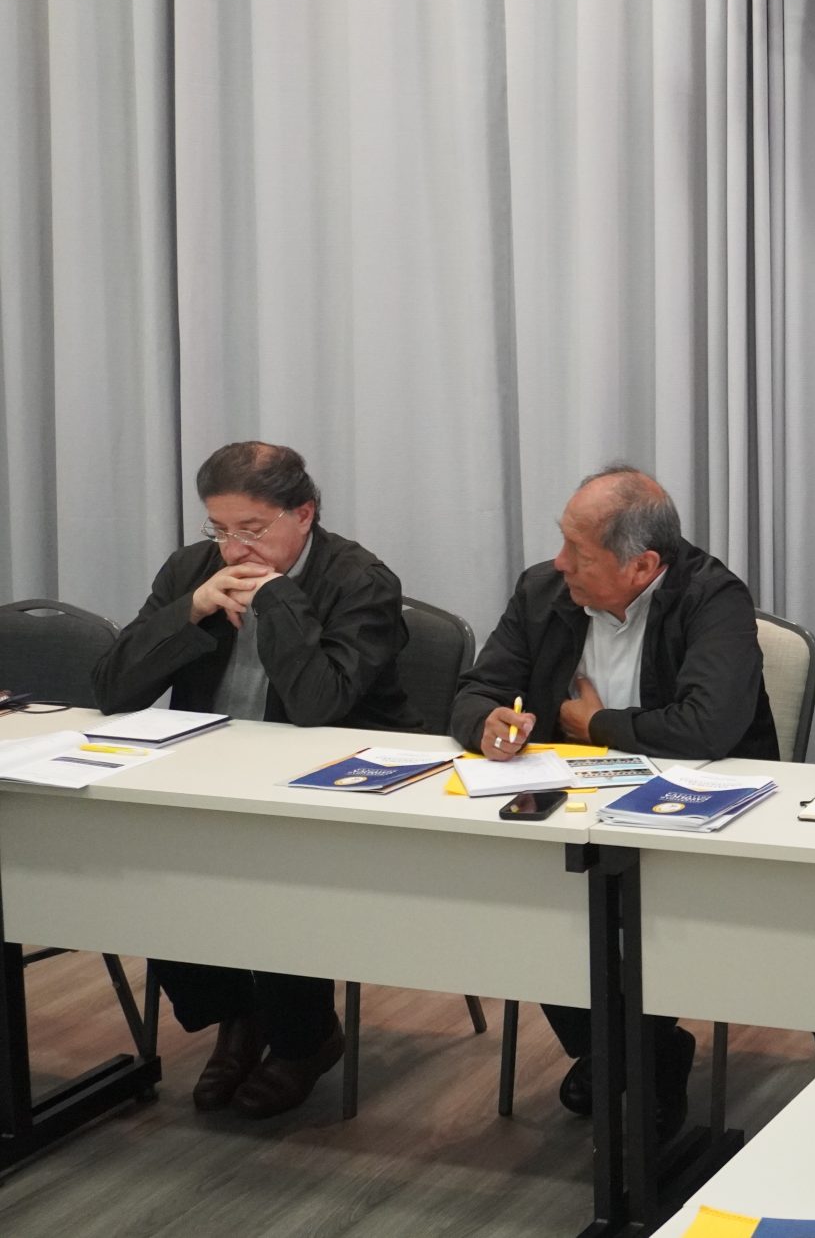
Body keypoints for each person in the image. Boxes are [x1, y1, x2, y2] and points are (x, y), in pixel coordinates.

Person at [92, 440, 418, 1119]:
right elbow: (114, 688)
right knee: (145, 863)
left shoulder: (360, 581)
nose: (233, 550)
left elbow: (320, 703)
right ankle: (237, 1015)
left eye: (251, 529)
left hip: (329, 788)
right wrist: (190, 609)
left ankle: (304, 1038)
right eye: (219, 529)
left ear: (304, 513)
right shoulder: (192, 569)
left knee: (272, 867)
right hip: (211, 775)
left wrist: (278, 599)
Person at [449, 464, 778, 1133]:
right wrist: (485, 721)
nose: (559, 561)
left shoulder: (713, 598)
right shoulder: (543, 592)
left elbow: (706, 728)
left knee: (627, 909)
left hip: (693, 818)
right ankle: (635, 1053)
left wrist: (595, 724)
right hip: (569, 812)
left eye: (579, 551)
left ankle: (626, 1055)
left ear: (642, 565)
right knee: (522, 897)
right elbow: (473, 690)